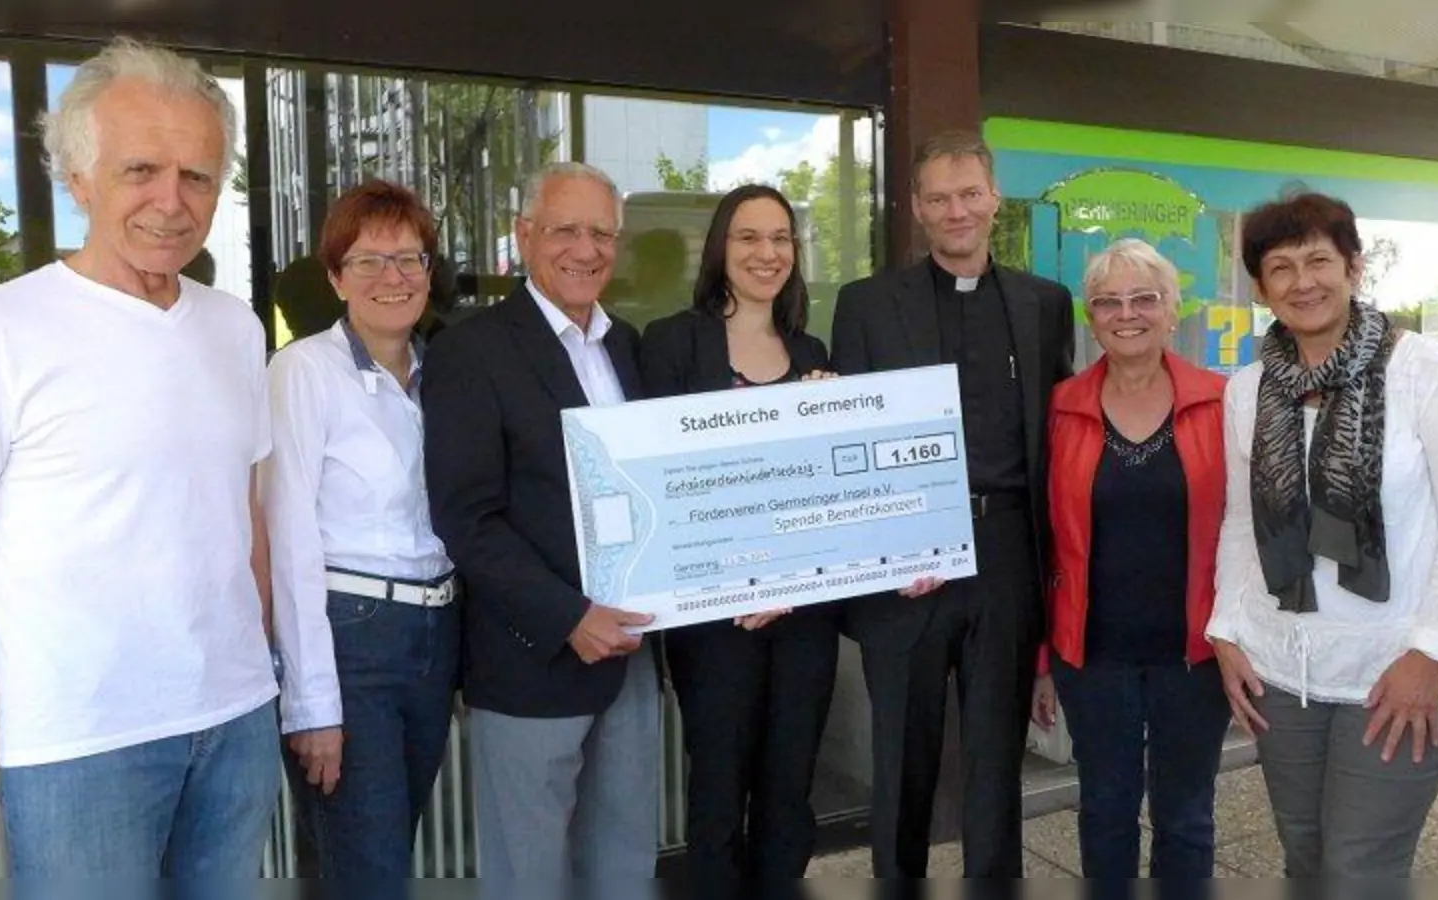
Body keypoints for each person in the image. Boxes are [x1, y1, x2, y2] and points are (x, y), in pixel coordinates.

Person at [0, 38, 279, 881]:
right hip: (82, 749)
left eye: (197, 175)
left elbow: (243, 512)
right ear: (77, 179)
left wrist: (264, 672)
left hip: (238, 726)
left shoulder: (235, 328)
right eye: (140, 170)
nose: (172, 201)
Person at [1206, 191, 1438, 878]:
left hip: (1395, 667)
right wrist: (1225, 628)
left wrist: (1430, 652)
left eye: (1319, 260)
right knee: (1305, 860)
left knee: (1361, 869)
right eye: (1281, 267)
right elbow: (1241, 519)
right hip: (1284, 670)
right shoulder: (1248, 390)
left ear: (1354, 267)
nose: (1303, 281)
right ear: (1261, 286)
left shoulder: (1423, 371)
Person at [830, 129, 1075, 879]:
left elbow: (1054, 435)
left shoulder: (1046, 303)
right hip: (907, 559)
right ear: (917, 209)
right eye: (939, 198)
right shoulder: (866, 305)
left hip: (1004, 553)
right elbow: (849, 437)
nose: (956, 210)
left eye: (970, 193)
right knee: (902, 754)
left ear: (994, 199)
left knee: (996, 758)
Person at [423, 161, 658, 893]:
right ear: (525, 236)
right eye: (565, 230)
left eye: (601, 233)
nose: (585, 249)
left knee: (623, 865)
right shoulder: (472, 349)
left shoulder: (628, 347)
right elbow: (466, 516)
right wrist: (569, 616)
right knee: (529, 877)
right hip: (533, 658)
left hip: (635, 654)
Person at [638, 184, 835, 899]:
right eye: (749, 237)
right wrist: (747, 579)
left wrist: (832, 415)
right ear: (721, 246)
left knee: (789, 794)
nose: (767, 253)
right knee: (718, 792)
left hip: (802, 618)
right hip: (713, 617)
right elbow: (663, 483)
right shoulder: (671, 343)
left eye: (781, 238)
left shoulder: (813, 351)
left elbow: (823, 494)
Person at [262, 180, 460, 880]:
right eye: (369, 261)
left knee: (385, 857)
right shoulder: (302, 372)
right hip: (352, 642)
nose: (393, 277)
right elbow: (286, 542)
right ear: (336, 276)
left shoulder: (444, 374)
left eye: (409, 259)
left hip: (436, 636)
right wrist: (312, 703)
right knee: (366, 869)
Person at [1030, 238, 1231, 885]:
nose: (1127, 313)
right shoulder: (1061, 409)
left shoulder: (1222, 403)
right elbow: (1042, 543)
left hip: (1194, 658)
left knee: (1186, 818)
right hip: (1094, 659)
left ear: (1173, 311)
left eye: (1145, 298)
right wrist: (1040, 662)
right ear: (1091, 318)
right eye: (1107, 301)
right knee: (1106, 812)